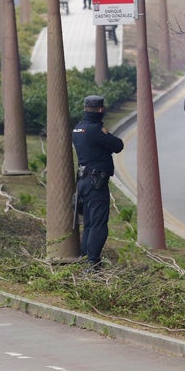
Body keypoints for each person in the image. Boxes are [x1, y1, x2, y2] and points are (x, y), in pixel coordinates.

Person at [72, 95, 124, 268]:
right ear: (101, 110)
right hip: (96, 183)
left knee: (88, 223)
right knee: (98, 224)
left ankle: (85, 257)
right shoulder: (96, 130)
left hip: (82, 182)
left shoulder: (78, 129)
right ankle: (93, 262)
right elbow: (118, 145)